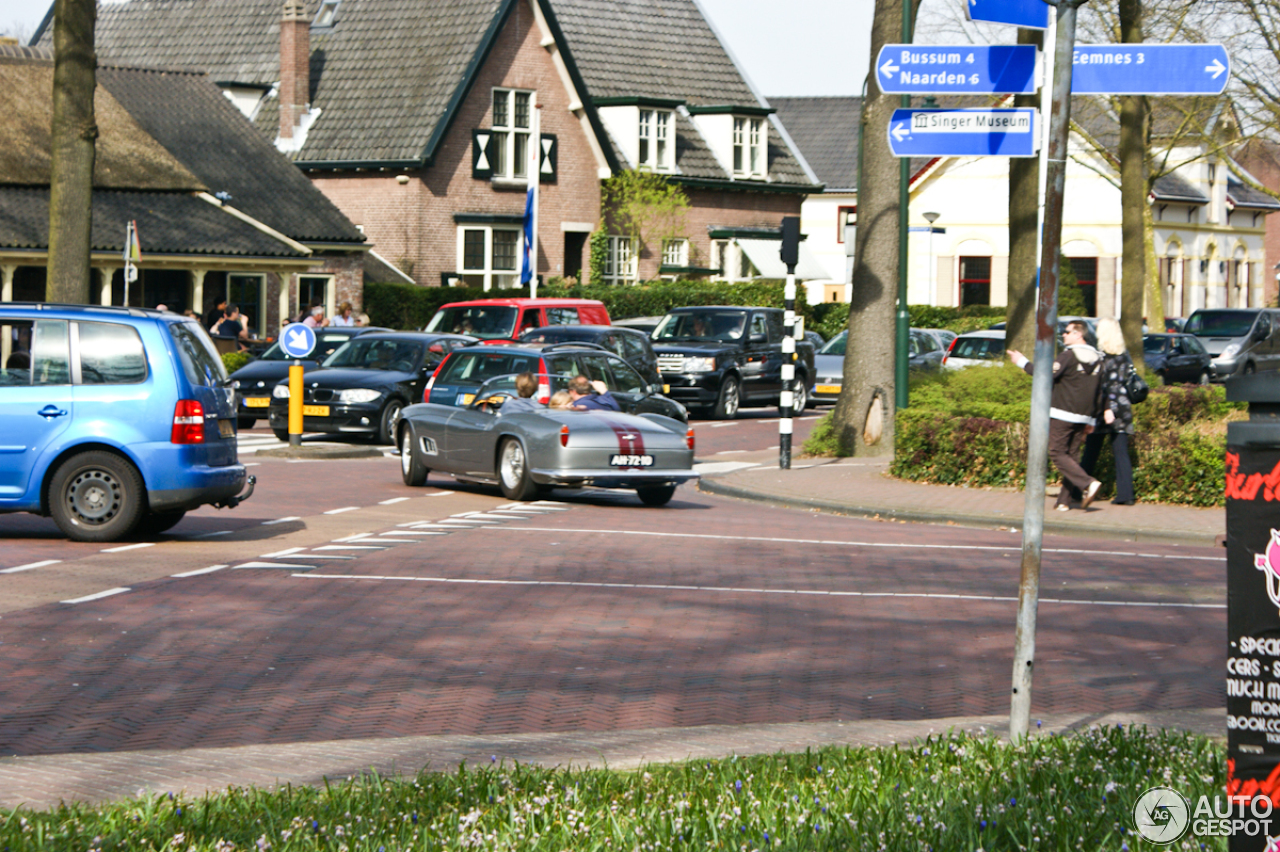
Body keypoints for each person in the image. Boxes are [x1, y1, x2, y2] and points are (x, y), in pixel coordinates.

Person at [1007, 320, 1104, 511]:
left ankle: (1088, 483)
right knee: (1072, 456)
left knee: (1057, 453)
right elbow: (1100, 391)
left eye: (1067, 332)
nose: (1064, 336)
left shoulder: (1068, 356)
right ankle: (1063, 502)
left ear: (1078, 334)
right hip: (1084, 415)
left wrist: (1022, 362)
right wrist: (1092, 419)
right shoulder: (1098, 359)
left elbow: (1044, 374)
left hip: (1063, 413)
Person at [1081, 317, 1136, 505]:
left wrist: (1106, 408)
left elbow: (1105, 385)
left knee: (1091, 450)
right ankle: (1126, 494)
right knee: (1121, 452)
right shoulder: (1124, 355)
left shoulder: (1103, 357)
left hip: (1105, 408)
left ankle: (1076, 489)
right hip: (1123, 407)